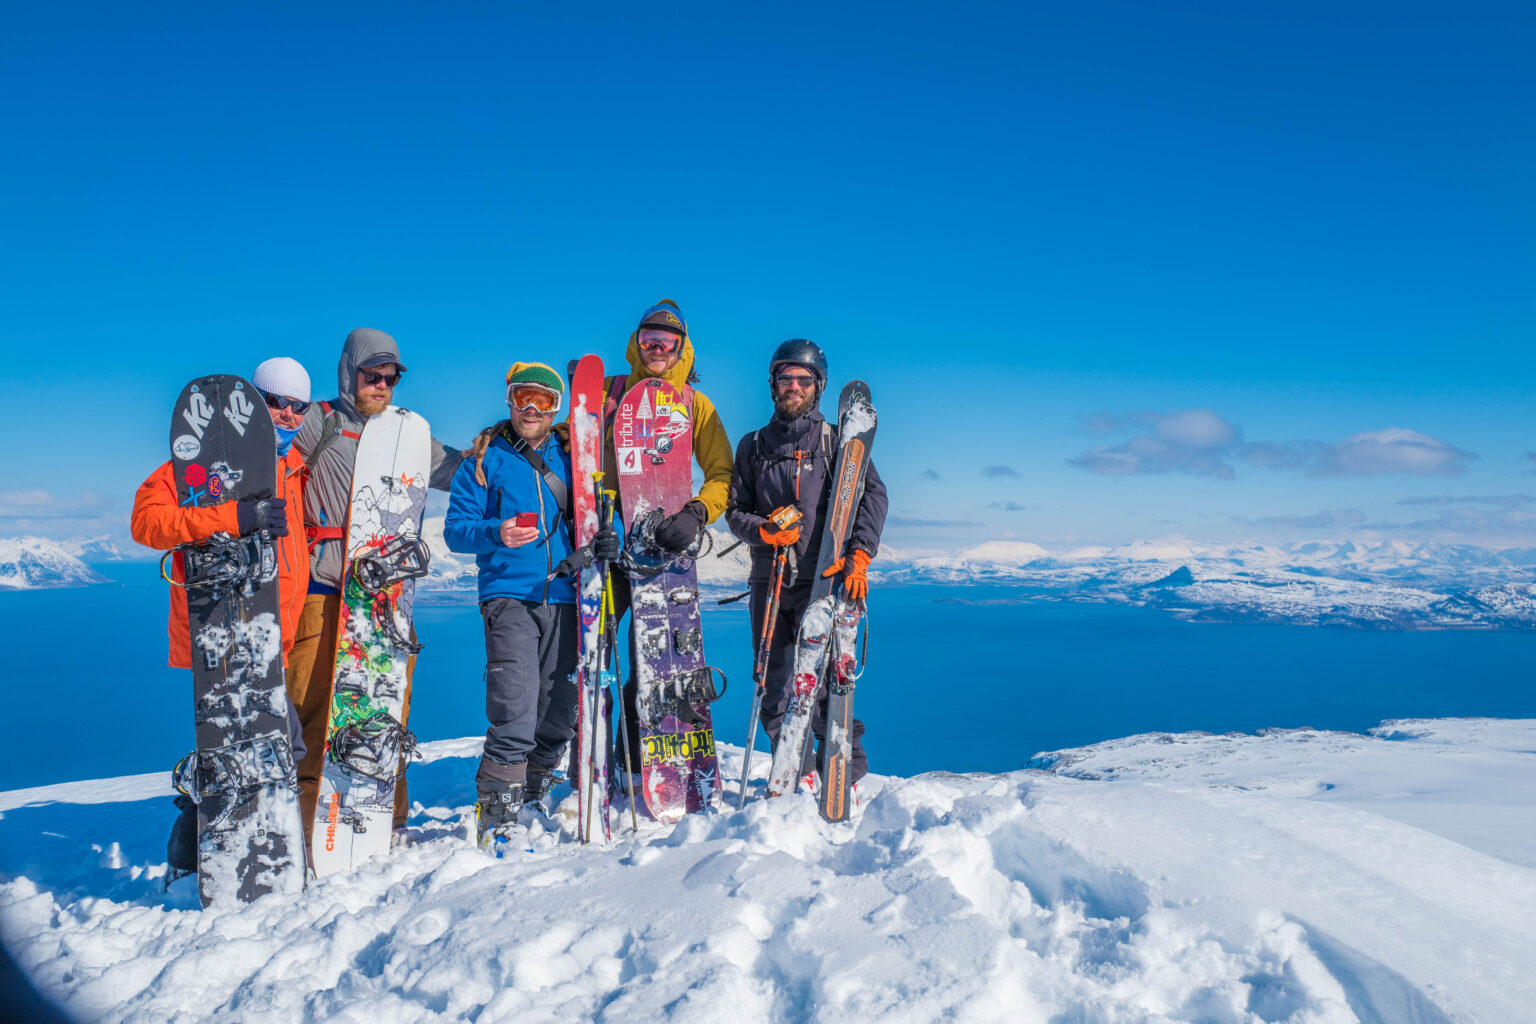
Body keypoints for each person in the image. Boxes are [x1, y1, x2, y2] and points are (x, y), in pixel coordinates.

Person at [131, 356, 314, 875]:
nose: (285, 414)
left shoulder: (297, 468)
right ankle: (196, 849)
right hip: (223, 629)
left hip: (272, 635)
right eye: (274, 402)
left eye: (297, 406)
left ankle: (206, 849)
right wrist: (236, 516)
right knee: (271, 743)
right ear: (253, 404)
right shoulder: (201, 464)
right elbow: (146, 523)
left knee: (250, 743)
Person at [287, 328, 464, 848]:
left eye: (390, 377)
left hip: (387, 600)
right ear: (350, 372)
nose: (382, 385)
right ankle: (302, 822)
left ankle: (387, 821)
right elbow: (268, 456)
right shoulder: (318, 423)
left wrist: (501, 447)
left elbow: (462, 472)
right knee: (314, 711)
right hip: (324, 591)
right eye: (372, 375)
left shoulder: (407, 436)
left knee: (385, 711)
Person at [445, 363, 621, 848]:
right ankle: (497, 811)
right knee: (515, 704)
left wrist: (610, 541)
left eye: (542, 401)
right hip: (510, 595)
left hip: (568, 596)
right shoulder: (484, 459)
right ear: (508, 399)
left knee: (560, 708)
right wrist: (494, 533)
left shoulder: (575, 456)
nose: (530, 408)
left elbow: (603, 515)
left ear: (556, 408)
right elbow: (456, 529)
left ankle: (534, 788)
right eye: (523, 396)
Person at [725, 339, 888, 797]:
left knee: (825, 683)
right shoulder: (753, 445)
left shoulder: (836, 441)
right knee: (773, 683)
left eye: (803, 379)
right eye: (785, 378)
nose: (793, 386)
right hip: (771, 579)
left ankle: (843, 775)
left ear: (818, 387)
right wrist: (763, 531)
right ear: (772, 385)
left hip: (826, 577)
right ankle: (792, 770)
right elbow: (736, 511)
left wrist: (859, 555)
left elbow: (873, 497)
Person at [602, 299, 734, 780]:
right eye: (648, 340)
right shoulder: (610, 395)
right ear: (635, 344)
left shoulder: (695, 405)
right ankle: (586, 765)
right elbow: (567, 448)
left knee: (654, 661)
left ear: (683, 350)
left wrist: (698, 513)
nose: (657, 349)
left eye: (667, 342)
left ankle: (638, 763)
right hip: (607, 545)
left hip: (664, 549)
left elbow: (722, 472)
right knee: (592, 659)